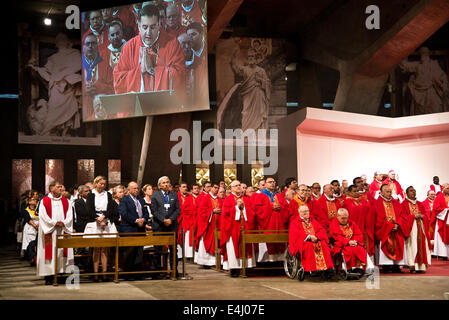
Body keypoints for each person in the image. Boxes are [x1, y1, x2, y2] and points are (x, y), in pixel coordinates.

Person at [113, 4, 186, 100]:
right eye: (144, 27)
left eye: (152, 27)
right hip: (136, 105)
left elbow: (180, 76)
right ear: (138, 26)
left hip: (163, 104)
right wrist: (140, 70)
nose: (148, 33)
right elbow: (118, 82)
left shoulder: (172, 44)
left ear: (159, 24)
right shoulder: (129, 47)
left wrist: (154, 70)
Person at [26, 33, 81, 136]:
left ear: (67, 42)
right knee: (53, 109)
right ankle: (49, 131)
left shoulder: (75, 53)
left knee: (68, 110)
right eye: (59, 40)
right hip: (56, 88)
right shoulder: (53, 58)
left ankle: (64, 132)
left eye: (63, 40)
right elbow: (47, 74)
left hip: (68, 88)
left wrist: (63, 74)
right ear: (56, 44)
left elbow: (78, 66)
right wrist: (36, 69)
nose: (61, 42)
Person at [36, 181, 74, 285]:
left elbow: (70, 215)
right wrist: (54, 223)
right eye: (58, 187)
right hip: (50, 231)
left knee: (63, 252)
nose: (61, 189)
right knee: (49, 252)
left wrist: (64, 222)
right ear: (51, 188)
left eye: (61, 187)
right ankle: (49, 275)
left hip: (63, 230)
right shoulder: (44, 201)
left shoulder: (66, 201)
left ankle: (62, 274)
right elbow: (42, 216)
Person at [84, 176, 118, 282]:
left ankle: (104, 273)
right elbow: (89, 209)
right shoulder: (91, 195)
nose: (103, 186)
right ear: (96, 184)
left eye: (104, 184)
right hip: (95, 222)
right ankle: (95, 274)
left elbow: (111, 208)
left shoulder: (107, 194)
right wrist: (97, 219)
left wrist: (104, 218)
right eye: (101, 184)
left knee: (104, 249)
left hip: (105, 221)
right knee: (96, 249)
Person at [229, 46, 270, 131]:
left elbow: (268, 83)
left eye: (252, 57)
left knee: (259, 114)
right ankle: (246, 133)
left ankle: (257, 132)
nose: (251, 58)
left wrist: (261, 80)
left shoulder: (261, 70)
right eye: (249, 57)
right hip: (247, 94)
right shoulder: (245, 70)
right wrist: (233, 56)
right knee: (246, 112)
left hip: (258, 95)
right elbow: (236, 68)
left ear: (256, 58)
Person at [220, 180, 256, 277]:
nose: (238, 187)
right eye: (236, 186)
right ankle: (234, 269)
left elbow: (252, 212)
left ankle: (246, 268)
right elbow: (225, 214)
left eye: (239, 185)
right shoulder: (228, 199)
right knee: (233, 248)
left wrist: (244, 208)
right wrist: (236, 207)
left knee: (246, 247)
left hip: (246, 227)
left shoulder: (247, 199)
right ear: (231, 188)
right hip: (233, 228)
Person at [399, 46, 449, 115]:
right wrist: (402, 51)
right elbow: (405, 65)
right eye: (422, 53)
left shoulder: (434, 64)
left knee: (436, 108)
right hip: (419, 92)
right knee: (420, 111)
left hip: (431, 90)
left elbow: (442, 75)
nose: (423, 55)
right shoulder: (418, 65)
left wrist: (444, 84)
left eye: (425, 53)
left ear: (428, 54)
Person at [288, 205, 334, 278]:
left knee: (323, 245)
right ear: (299, 212)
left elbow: (321, 230)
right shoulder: (295, 222)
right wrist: (309, 237)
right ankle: (312, 270)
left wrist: (316, 237)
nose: (306, 213)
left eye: (307, 211)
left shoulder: (313, 221)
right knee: (309, 246)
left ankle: (327, 269)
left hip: (316, 240)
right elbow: (296, 234)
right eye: (304, 211)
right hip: (303, 242)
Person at [373, 184, 408, 273]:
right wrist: (390, 226)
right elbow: (378, 218)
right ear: (382, 192)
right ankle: (386, 265)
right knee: (386, 243)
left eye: (390, 192)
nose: (389, 194)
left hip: (396, 229)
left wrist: (397, 224)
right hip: (385, 229)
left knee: (399, 243)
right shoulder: (377, 203)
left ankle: (396, 265)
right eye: (387, 192)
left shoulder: (396, 202)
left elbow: (401, 215)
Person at [118, 181, 150, 278]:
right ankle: (128, 273)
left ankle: (137, 272)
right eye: (134, 188)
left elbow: (146, 213)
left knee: (139, 251)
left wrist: (143, 219)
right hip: (129, 229)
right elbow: (124, 214)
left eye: (137, 188)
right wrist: (136, 220)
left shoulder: (141, 200)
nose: (136, 190)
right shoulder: (124, 200)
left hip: (140, 229)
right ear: (129, 190)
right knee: (130, 251)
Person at [252, 177, 288, 262]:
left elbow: (286, 208)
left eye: (273, 182)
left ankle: (281, 263)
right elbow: (258, 210)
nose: (272, 183)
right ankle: (270, 262)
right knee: (270, 243)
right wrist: (271, 207)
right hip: (268, 225)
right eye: (270, 182)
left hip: (279, 224)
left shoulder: (278, 196)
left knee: (281, 243)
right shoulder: (260, 196)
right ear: (265, 184)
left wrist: (280, 207)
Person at [150, 176, 181, 276]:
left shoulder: (174, 195)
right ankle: (157, 271)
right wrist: (163, 220)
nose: (166, 184)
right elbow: (154, 211)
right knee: (157, 249)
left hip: (172, 226)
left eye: (167, 182)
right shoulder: (155, 196)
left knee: (173, 249)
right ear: (159, 185)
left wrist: (170, 219)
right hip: (159, 225)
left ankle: (173, 271)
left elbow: (178, 210)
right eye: (163, 183)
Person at [330, 208, 374, 274]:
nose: (345, 220)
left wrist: (355, 241)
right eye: (342, 218)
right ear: (337, 217)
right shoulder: (334, 225)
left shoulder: (351, 223)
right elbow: (335, 237)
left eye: (346, 218)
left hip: (353, 243)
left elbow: (358, 234)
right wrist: (348, 242)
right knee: (349, 250)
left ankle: (360, 268)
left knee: (360, 249)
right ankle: (348, 269)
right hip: (342, 245)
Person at [82, 34, 114, 120]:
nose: (90, 46)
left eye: (93, 43)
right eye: (87, 44)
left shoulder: (106, 66)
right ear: (83, 47)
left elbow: (114, 89)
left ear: (97, 46)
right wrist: (84, 90)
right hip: (83, 107)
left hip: (102, 109)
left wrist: (99, 87)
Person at [401, 186, 431, 273]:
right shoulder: (404, 204)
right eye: (411, 191)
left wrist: (422, 216)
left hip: (421, 228)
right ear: (407, 193)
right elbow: (403, 217)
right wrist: (413, 216)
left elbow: (425, 215)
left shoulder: (420, 204)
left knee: (422, 245)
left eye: (414, 191)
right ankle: (412, 266)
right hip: (411, 229)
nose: (413, 192)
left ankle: (421, 267)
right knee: (412, 246)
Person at [195, 183, 223, 267]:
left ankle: (217, 262)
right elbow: (201, 212)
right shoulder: (205, 198)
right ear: (211, 188)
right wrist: (212, 211)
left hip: (218, 225)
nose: (216, 189)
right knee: (206, 242)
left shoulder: (220, 199)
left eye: (218, 188)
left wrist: (220, 211)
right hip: (208, 225)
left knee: (218, 242)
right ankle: (206, 262)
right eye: (215, 187)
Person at [343, 185, 375, 257]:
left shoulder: (362, 200)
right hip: (353, 228)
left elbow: (369, 211)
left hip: (364, 227)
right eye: (354, 191)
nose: (357, 193)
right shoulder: (347, 202)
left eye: (357, 191)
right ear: (349, 192)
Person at [179, 184, 200, 260]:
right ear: (191, 190)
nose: (196, 190)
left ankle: (197, 257)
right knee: (189, 238)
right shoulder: (189, 199)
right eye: (195, 189)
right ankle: (189, 255)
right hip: (190, 221)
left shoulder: (201, 198)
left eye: (197, 188)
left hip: (199, 221)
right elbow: (185, 211)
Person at [432, 183, 449, 259]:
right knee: (442, 235)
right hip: (442, 219)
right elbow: (436, 209)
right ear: (443, 188)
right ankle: (443, 254)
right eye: (447, 188)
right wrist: (446, 210)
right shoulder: (439, 197)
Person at [22, 195, 39, 266]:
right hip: (30, 229)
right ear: (29, 202)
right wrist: (35, 225)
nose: (35, 201)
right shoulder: (26, 210)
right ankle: (32, 259)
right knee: (30, 244)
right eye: (33, 199)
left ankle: (36, 259)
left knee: (36, 244)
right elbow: (28, 219)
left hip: (38, 229)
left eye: (36, 200)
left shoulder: (37, 210)